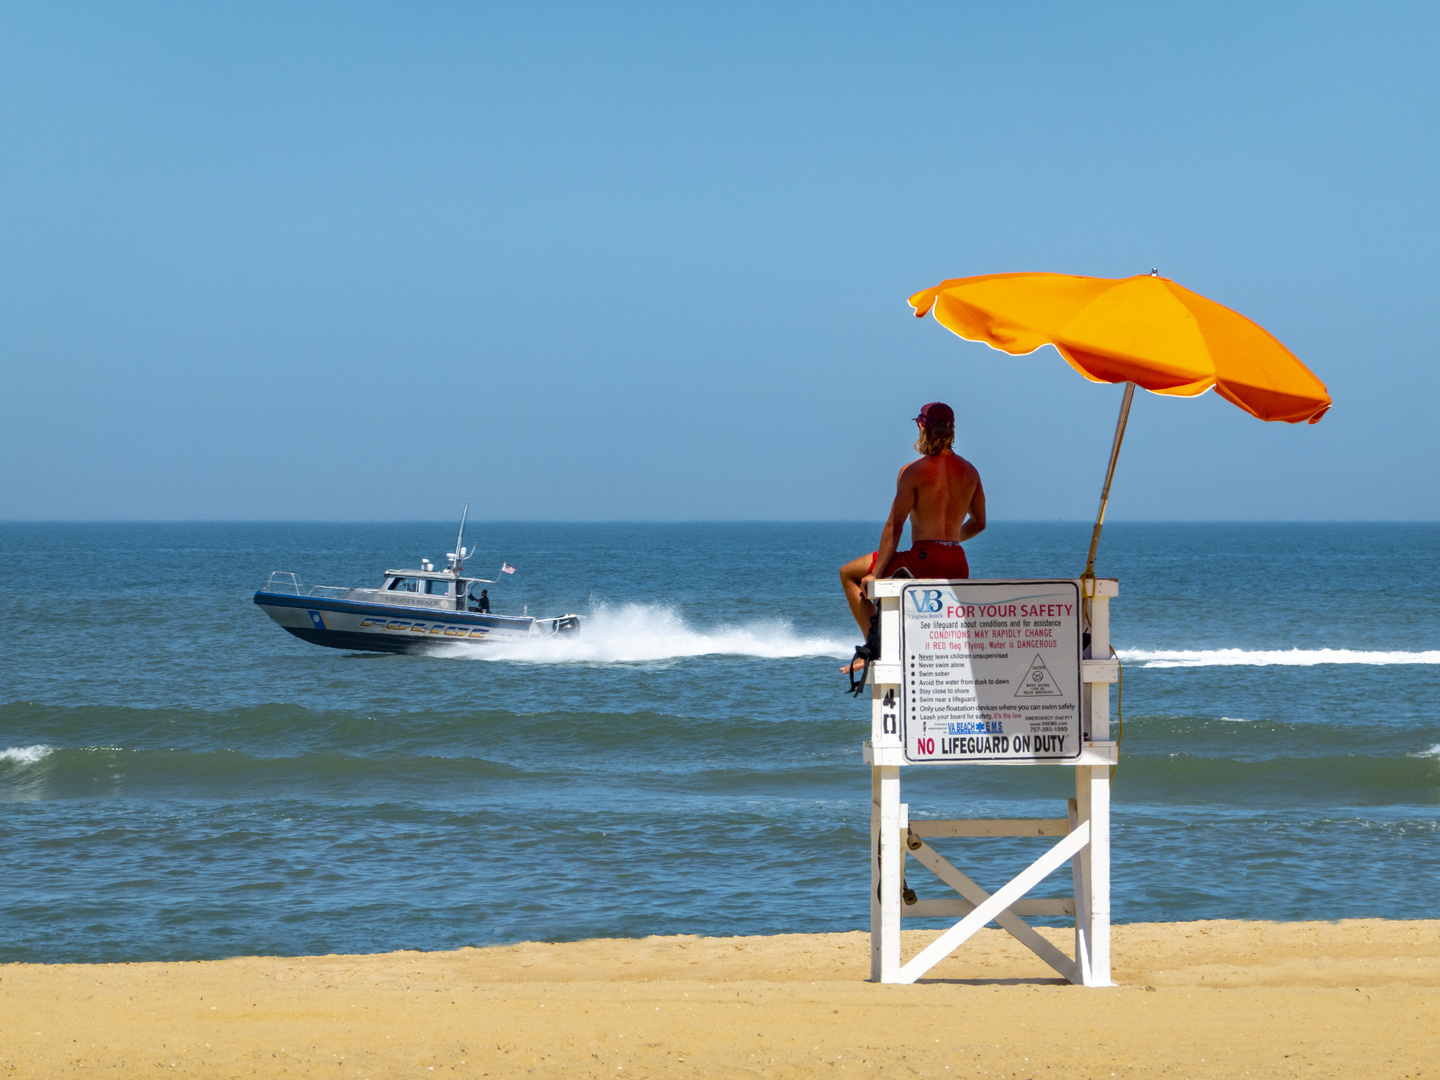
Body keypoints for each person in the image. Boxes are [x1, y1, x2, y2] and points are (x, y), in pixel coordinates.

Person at [840, 402, 985, 674]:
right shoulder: (971, 472)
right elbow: (980, 523)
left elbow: (894, 527)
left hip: (923, 561)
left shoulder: (913, 471)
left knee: (849, 573)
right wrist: (950, 541)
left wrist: (877, 574)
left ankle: (875, 649)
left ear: (922, 427)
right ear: (953, 430)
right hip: (957, 562)